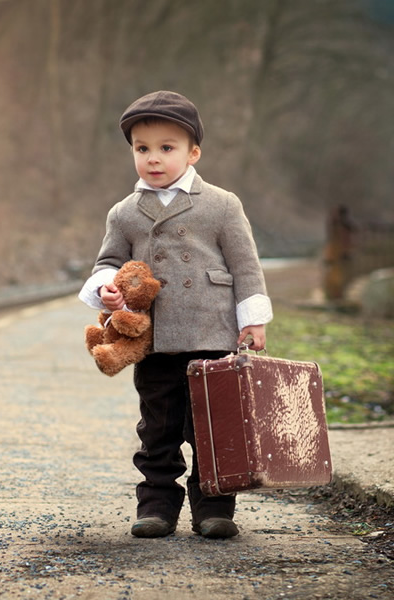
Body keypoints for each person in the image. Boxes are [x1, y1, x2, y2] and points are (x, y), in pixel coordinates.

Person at [78, 90, 273, 539]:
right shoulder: (124, 213)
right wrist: (107, 290)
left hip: (213, 333)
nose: (154, 158)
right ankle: (157, 506)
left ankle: (215, 508)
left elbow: (245, 266)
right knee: (158, 427)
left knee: (213, 428)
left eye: (167, 148)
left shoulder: (222, 204)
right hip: (157, 340)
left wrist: (253, 319)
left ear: (193, 152)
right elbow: (107, 262)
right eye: (142, 149)